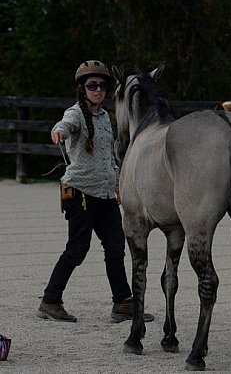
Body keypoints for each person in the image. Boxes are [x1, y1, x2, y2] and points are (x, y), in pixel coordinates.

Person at [37, 60, 153, 323]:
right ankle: (50, 301)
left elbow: (108, 157)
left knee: (115, 247)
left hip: (105, 195)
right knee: (77, 249)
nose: (98, 90)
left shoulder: (104, 118)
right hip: (80, 194)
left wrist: (116, 185)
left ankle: (122, 303)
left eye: (102, 85)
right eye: (92, 85)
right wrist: (58, 131)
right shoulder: (76, 113)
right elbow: (64, 124)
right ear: (82, 88)